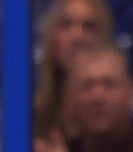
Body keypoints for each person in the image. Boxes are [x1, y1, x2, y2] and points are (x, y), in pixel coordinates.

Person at [33, 0, 114, 138]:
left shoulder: (117, 120)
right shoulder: (32, 116)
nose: (77, 37)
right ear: (52, 37)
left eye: (88, 27)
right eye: (66, 25)